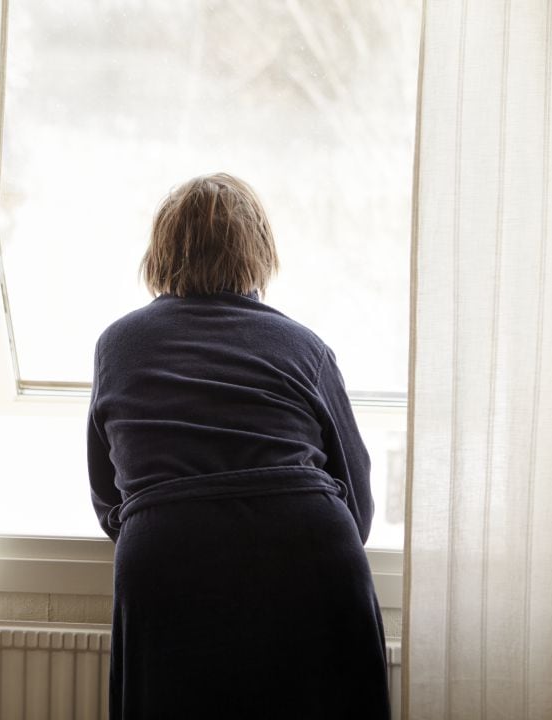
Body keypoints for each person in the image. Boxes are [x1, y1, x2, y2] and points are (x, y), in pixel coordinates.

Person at [87, 173, 390, 718]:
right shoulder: (305, 347)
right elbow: (359, 508)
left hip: (169, 558)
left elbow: (110, 500)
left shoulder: (119, 346)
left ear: (160, 254)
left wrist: (181, 521)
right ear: (259, 253)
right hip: (311, 552)